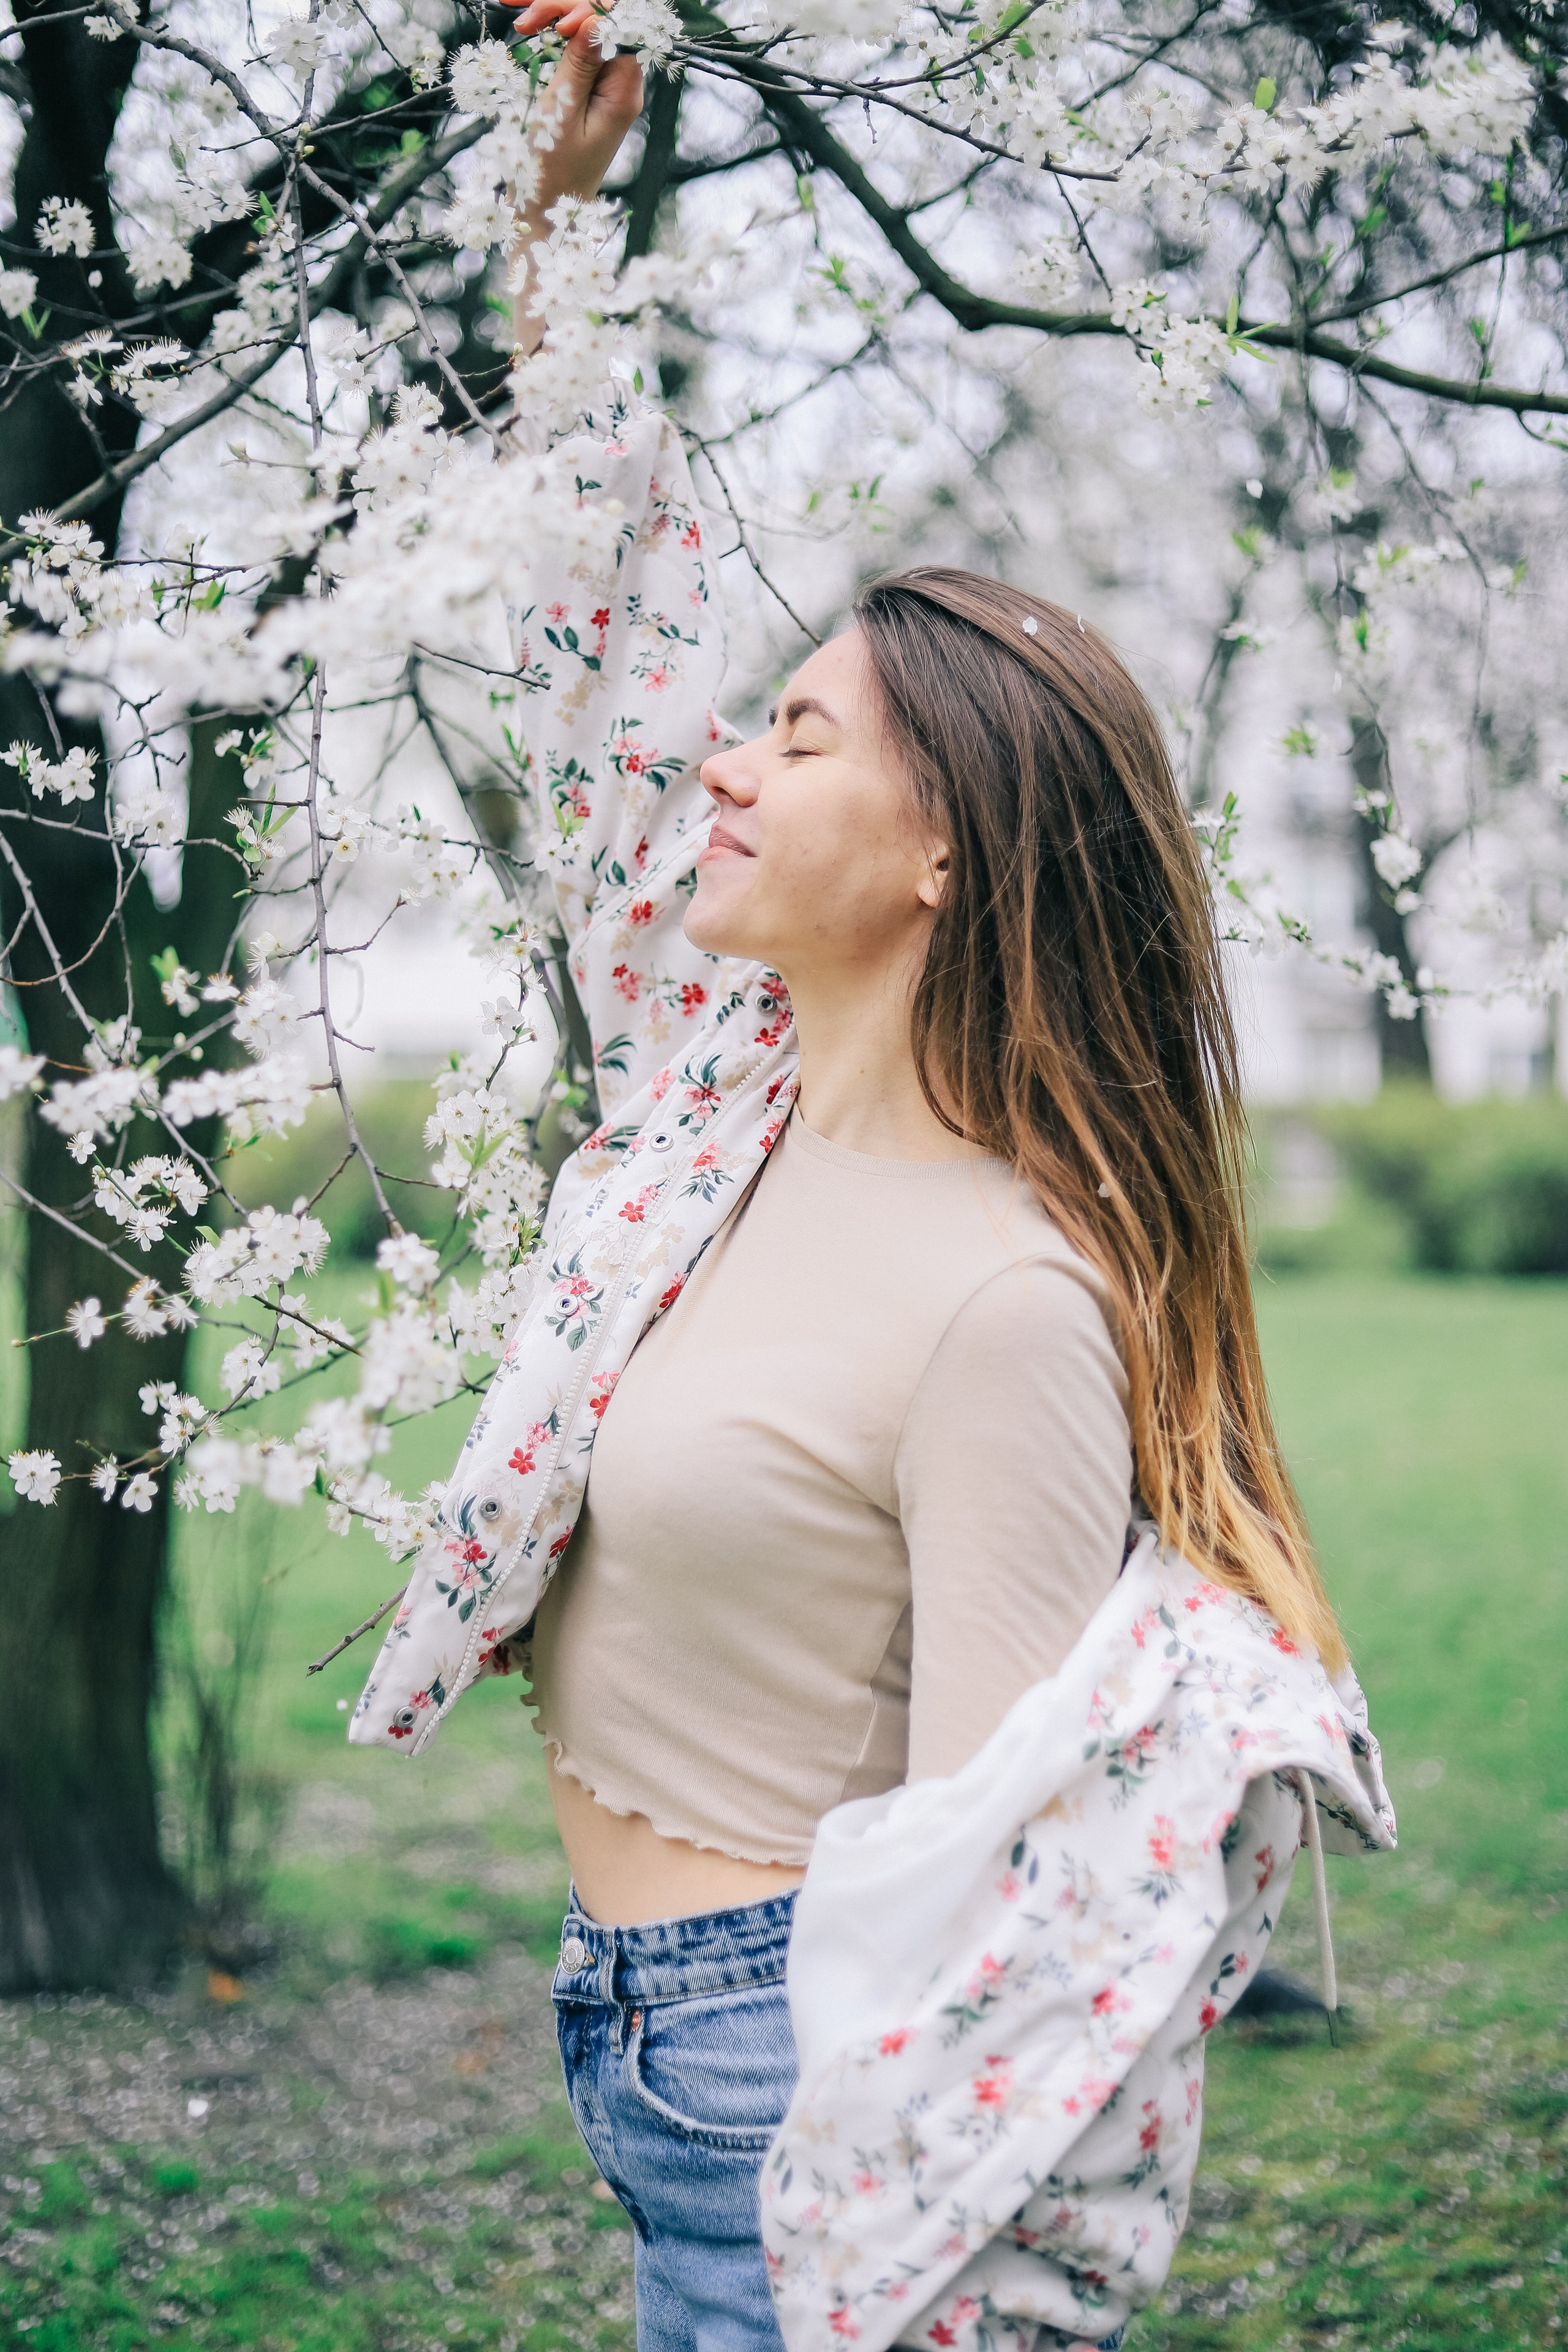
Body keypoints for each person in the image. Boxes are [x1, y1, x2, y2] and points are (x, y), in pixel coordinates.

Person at [350, 21, 1366, 2348]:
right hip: (633, 2027)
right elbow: (605, 671)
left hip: (781, 2065)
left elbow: (1021, 1926)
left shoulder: (1013, 1302)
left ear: (941, 851)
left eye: (794, 736)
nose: (723, 762)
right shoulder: (727, 1102)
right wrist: (563, 235)